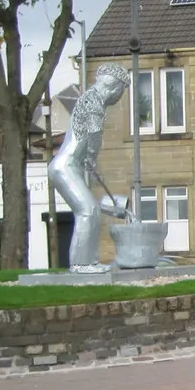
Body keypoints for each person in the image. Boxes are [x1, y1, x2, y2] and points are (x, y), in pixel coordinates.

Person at [47, 64, 130, 269]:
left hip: (71, 166)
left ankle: (89, 262)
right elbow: (93, 133)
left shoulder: (90, 99)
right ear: (115, 88)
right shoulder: (93, 102)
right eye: (121, 92)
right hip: (65, 166)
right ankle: (80, 265)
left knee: (91, 210)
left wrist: (88, 162)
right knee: (88, 210)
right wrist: (92, 158)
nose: (119, 98)